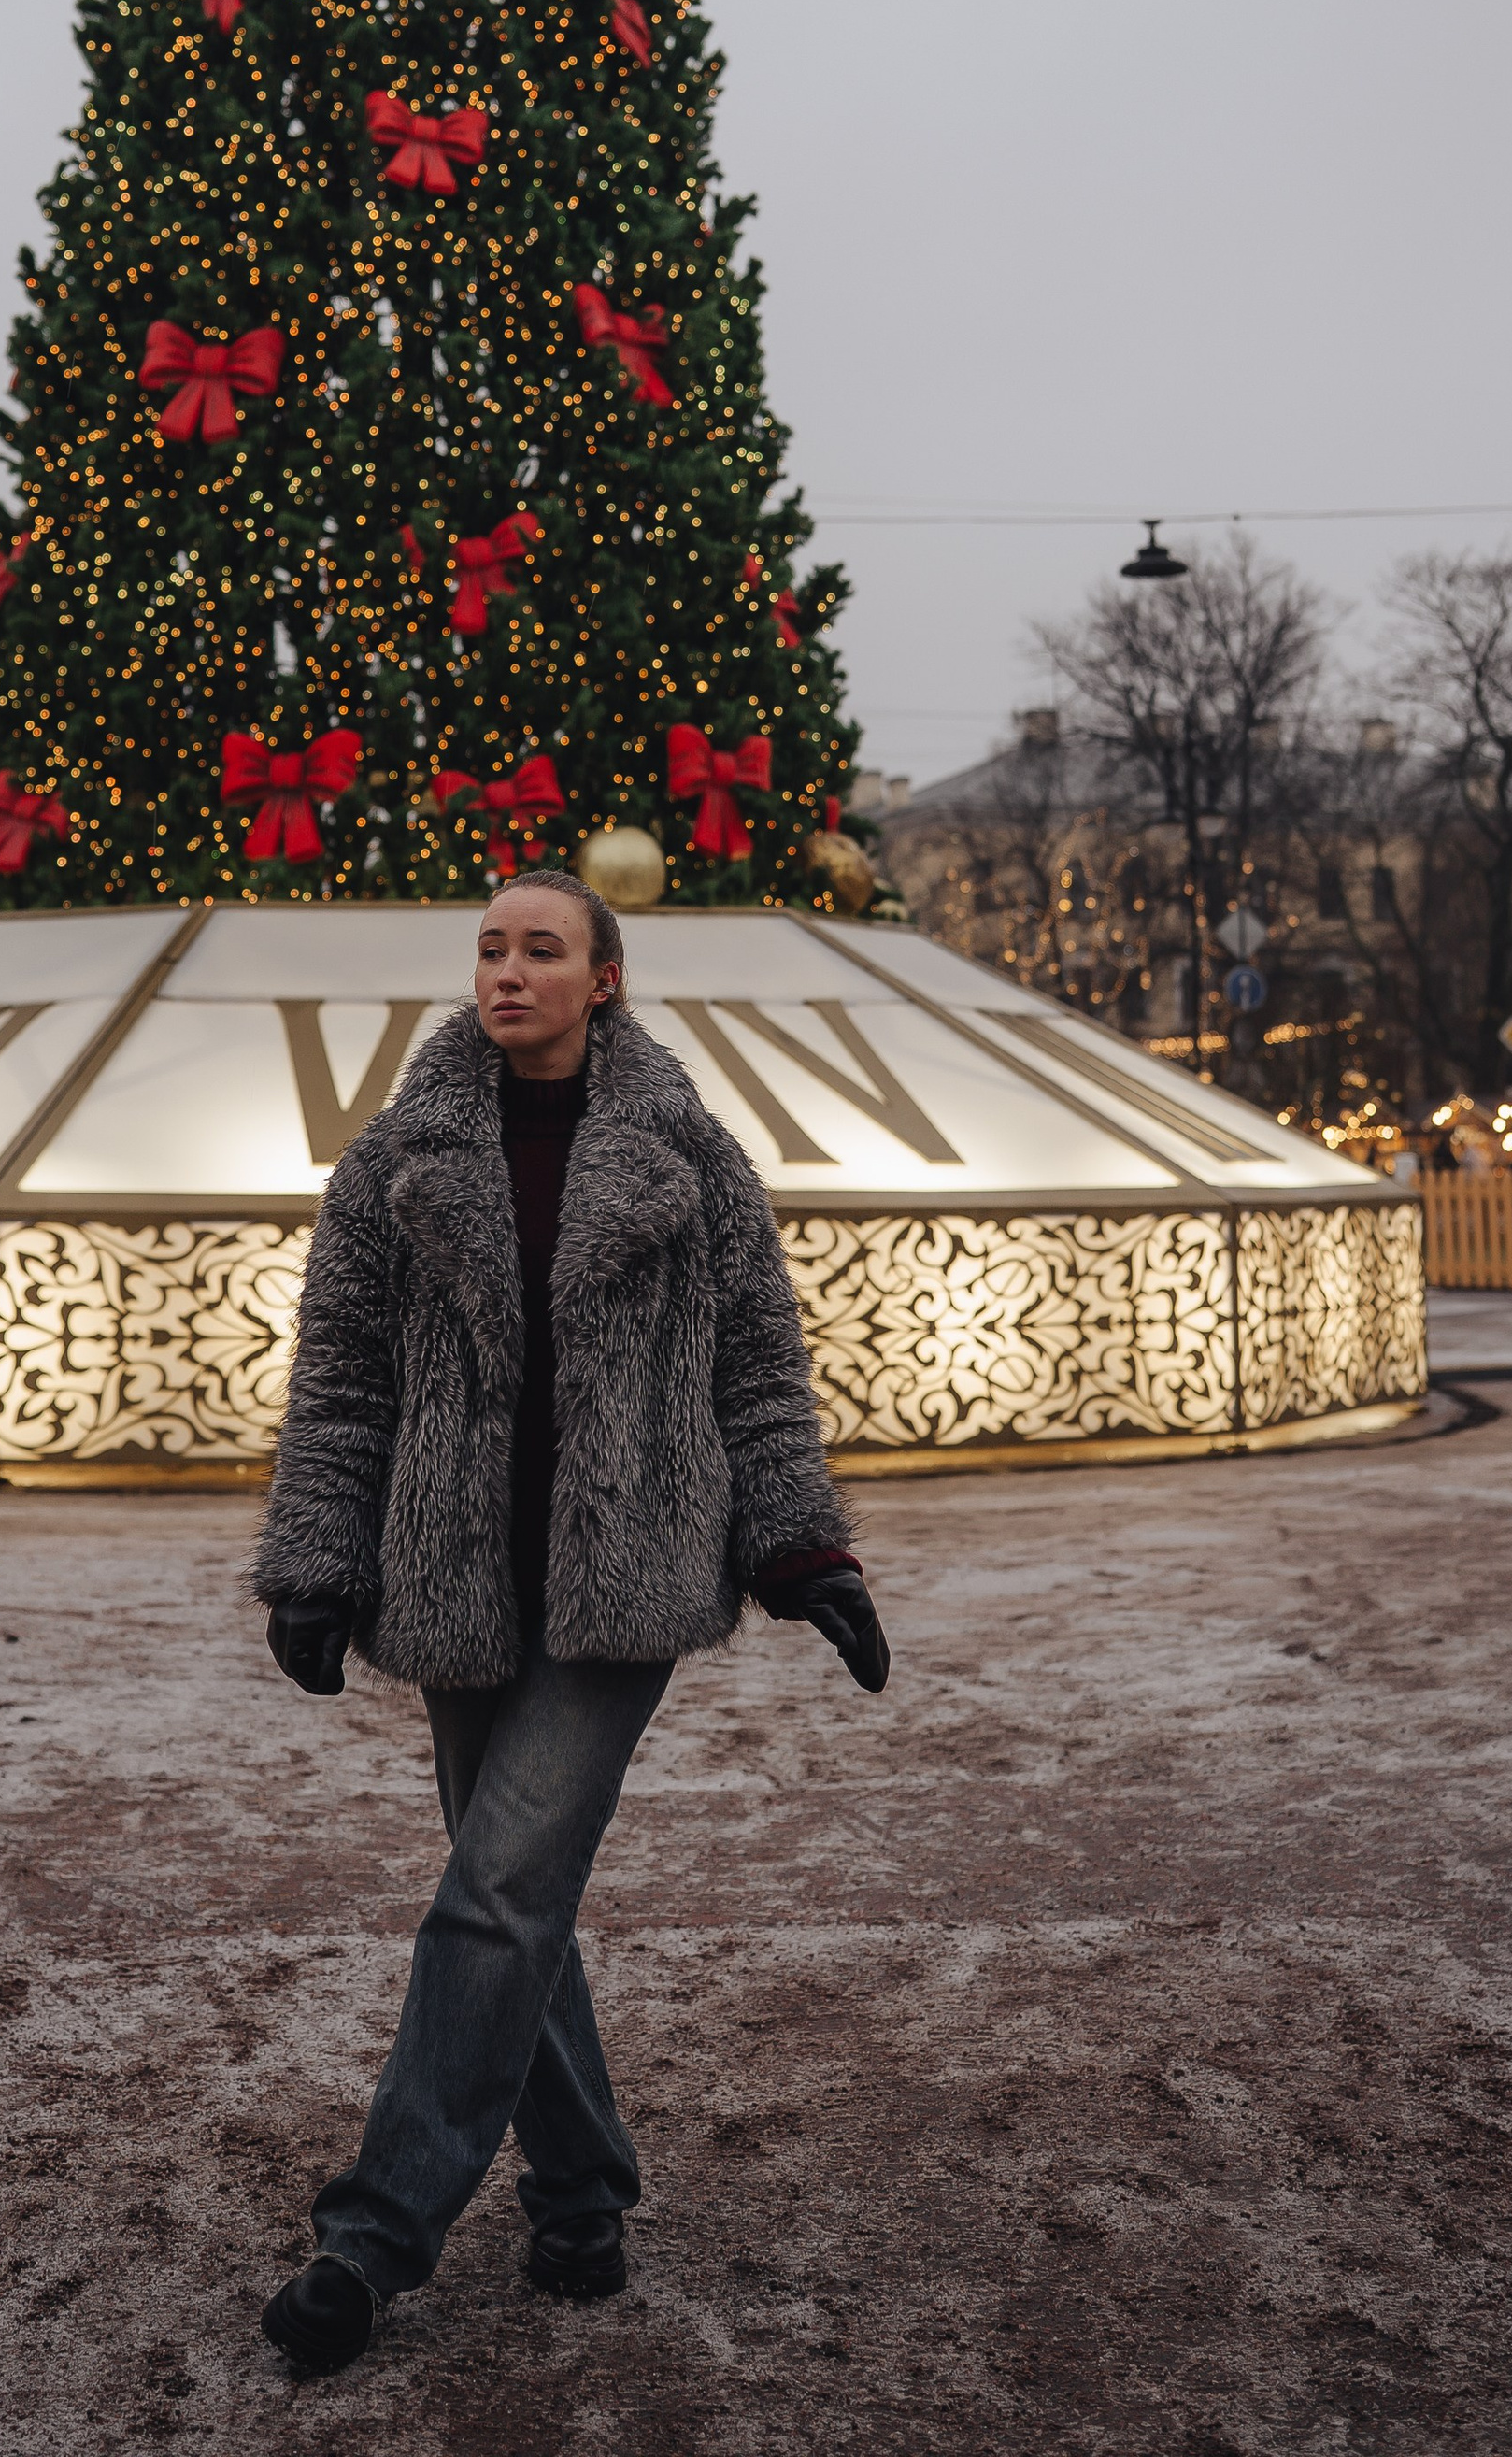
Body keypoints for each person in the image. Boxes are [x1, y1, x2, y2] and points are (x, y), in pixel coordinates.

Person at [252, 865, 889, 2375]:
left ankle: (372, 2239)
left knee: (497, 1890)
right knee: (513, 1897)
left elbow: (757, 1377)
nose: (509, 971)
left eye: (543, 949)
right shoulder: (391, 1164)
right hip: (454, 1579)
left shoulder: (694, 1160)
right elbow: (342, 1391)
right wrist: (318, 1567)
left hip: (628, 1582)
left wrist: (806, 1555)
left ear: (603, 978)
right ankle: (583, 2195)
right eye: (491, 947)